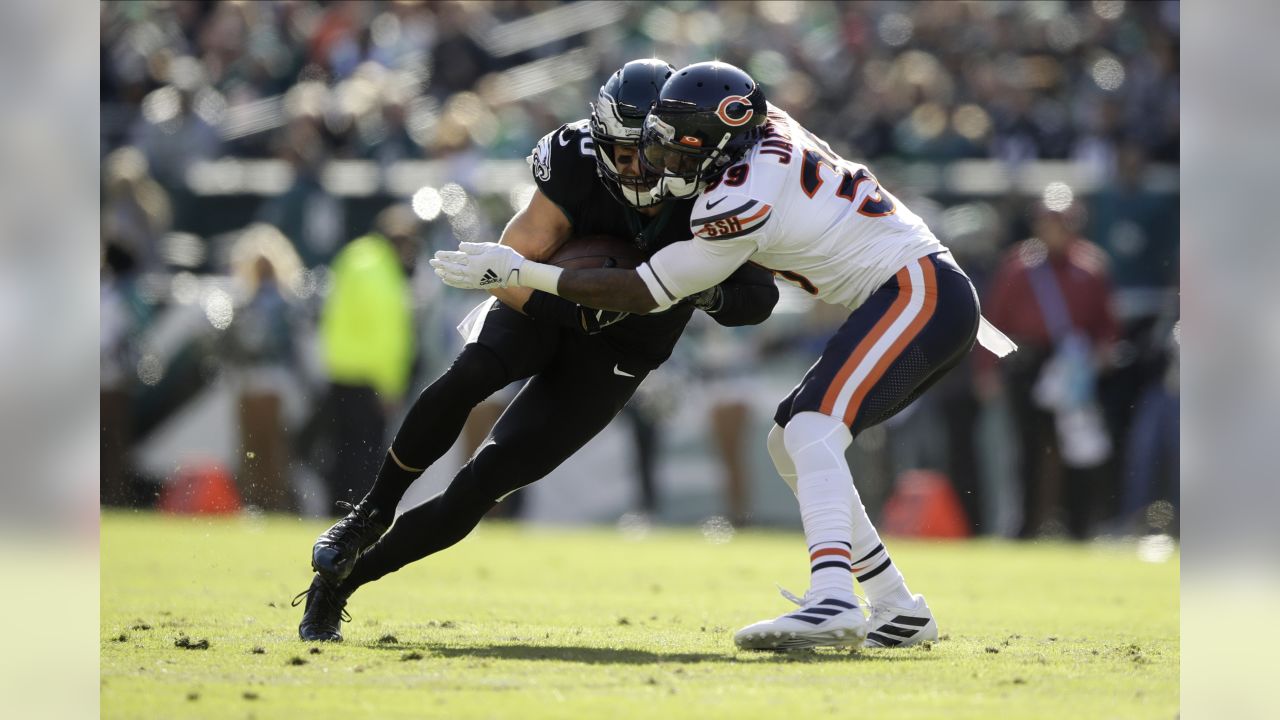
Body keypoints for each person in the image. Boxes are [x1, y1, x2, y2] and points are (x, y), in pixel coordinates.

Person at [432, 61, 1017, 651]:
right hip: (914, 293)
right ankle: (895, 605)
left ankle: (833, 597)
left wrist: (524, 272)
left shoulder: (741, 197)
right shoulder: (761, 137)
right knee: (788, 438)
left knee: (813, 429)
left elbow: (642, 289)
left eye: (683, 153)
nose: (665, 165)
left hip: (918, 291)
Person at [294, 59, 778, 641]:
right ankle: (370, 513)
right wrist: (577, 304)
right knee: (471, 372)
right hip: (545, 300)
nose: (638, 167)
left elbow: (757, 299)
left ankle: (340, 586)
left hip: (628, 342)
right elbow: (509, 270)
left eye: (651, 152)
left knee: (483, 483)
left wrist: (696, 286)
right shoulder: (574, 161)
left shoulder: (719, 184)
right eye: (622, 152)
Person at [977, 193, 1119, 540]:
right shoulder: (1018, 266)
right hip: (1028, 363)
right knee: (1027, 448)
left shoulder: (1091, 265)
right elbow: (993, 319)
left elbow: (1107, 324)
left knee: (1076, 447)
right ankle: (1026, 525)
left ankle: (1078, 526)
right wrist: (987, 369)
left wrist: (1099, 355)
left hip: (1073, 367)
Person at [308, 205, 420, 509]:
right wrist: (391, 385)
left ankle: (333, 511)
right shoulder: (384, 273)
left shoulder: (353, 256)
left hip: (338, 368)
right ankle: (357, 515)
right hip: (370, 376)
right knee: (366, 453)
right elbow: (389, 335)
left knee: (341, 450)